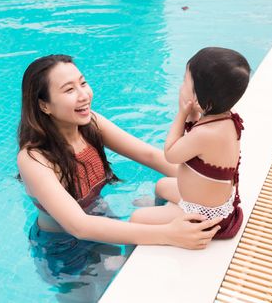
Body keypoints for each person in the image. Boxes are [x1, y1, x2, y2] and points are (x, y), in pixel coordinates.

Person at [16, 54, 222, 301]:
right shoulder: (34, 158)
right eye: (69, 90)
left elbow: (150, 155)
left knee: (115, 284)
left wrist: (211, 182)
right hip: (62, 248)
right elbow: (78, 226)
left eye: (83, 83)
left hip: (101, 217)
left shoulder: (90, 124)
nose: (84, 95)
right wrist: (169, 232)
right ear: (44, 105)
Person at [130, 47, 250, 240]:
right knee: (161, 185)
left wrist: (181, 113)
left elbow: (171, 153)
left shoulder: (206, 134)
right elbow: (196, 138)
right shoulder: (226, 118)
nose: (181, 86)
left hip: (202, 216)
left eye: (185, 81)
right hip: (198, 201)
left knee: (137, 219)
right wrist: (193, 114)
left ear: (199, 97)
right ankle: (160, 209)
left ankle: (132, 252)